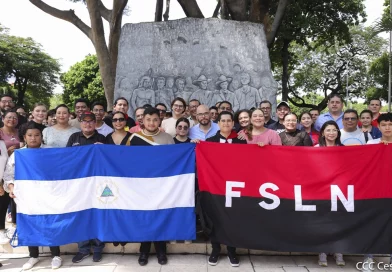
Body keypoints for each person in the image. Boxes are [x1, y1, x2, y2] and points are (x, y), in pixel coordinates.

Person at [4, 122, 62, 270]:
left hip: (48, 195)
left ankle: (56, 255)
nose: (33, 138)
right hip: (27, 197)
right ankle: (33, 256)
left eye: (37, 135)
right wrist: (11, 187)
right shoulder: (18, 154)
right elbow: (8, 175)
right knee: (30, 224)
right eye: (30, 135)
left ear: (41, 137)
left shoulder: (51, 152)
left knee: (50, 223)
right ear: (24, 137)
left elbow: (60, 170)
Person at [128, 107, 174, 266]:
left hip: (162, 186)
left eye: (155, 119)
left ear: (159, 120)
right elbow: (126, 162)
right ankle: (144, 251)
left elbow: (174, 162)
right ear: (143, 121)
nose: (152, 122)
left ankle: (162, 251)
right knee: (144, 218)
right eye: (148, 119)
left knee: (160, 217)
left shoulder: (167, 138)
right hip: (141, 186)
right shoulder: (133, 138)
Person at [206, 111, 246, 267]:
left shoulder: (241, 141)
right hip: (215, 187)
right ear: (219, 123)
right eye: (223, 121)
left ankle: (231, 251)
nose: (226, 123)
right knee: (215, 217)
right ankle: (215, 250)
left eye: (229, 121)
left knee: (232, 219)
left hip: (234, 186)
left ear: (233, 123)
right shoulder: (210, 141)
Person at [66, 112, 106, 263]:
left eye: (91, 122)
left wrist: (104, 149)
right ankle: (83, 249)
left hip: (98, 184)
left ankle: (97, 249)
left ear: (95, 123)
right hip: (79, 183)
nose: (88, 124)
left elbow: (110, 160)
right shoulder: (74, 138)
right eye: (84, 122)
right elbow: (67, 159)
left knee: (97, 214)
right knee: (81, 214)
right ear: (80, 123)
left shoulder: (102, 138)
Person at [315, 120, 345, 267]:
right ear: (322, 133)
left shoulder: (345, 150)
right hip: (320, 190)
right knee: (322, 221)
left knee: (338, 221)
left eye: (334, 130)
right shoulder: (315, 148)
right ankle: (323, 250)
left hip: (339, 190)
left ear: (338, 133)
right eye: (328, 130)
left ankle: (338, 250)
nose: (331, 133)